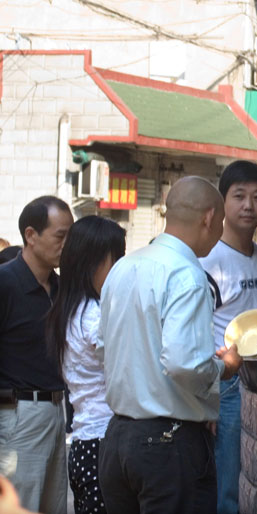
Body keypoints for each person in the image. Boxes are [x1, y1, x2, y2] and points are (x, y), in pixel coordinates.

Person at [98, 176, 242, 514]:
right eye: (220, 221)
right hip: (167, 446)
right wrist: (225, 367)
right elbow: (184, 364)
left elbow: (105, 349)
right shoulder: (186, 274)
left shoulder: (123, 267)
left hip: (118, 439)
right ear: (209, 217)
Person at [198, 161, 257, 514]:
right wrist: (208, 396)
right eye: (239, 196)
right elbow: (197, 331)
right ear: (222, 202)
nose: (249, 205)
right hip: (229, 387)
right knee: (228, 485)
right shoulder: (208, 262)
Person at [44, 216, 126, 514]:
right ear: (91, 261)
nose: (120, 268)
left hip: (85, 441)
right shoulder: (93, 315)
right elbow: (127, 364)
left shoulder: (69, 308)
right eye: (115, 259)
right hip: (103, 441)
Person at [0, 196, 73, 514]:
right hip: (17, 415)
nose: (67, 244)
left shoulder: (61, 289)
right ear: (31, 235)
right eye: (61, 236)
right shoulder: (5, 283)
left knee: (51, 507)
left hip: (56, 414)